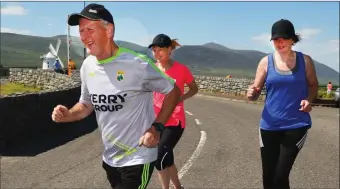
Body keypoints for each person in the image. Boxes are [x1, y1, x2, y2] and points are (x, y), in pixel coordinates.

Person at [51, 3, 181, 189]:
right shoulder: (88, 66)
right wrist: (68, 115)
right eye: (81, 31)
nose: (84, 37)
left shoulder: (137, 64)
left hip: (138, 157)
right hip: (111, 160)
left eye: (90, 29)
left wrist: (157, 128)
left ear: (109, 30)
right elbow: (86, 104)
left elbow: (174, 91)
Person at [247, 19, 318, 189]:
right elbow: (254, 92)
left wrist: (309, 99)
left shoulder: (305, 61)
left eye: (284, 38)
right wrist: (251, 93)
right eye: (275, 39)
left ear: (293, 39)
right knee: (269, 177)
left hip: (296, 125)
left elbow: (313, 85)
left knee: (280, 175)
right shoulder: (265, 62)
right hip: (269, 126)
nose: (279, 42)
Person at [148, 34, 198, 189]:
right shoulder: (151, 69)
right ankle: (179, 187)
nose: (157, 54)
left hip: (175, 121)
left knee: (159, 159)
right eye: (154, 50)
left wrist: (180, 99)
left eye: (160, 50)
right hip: (157, 121)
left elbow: (194, 88)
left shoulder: (181, 69)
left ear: (170, 49)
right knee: (167, 159)